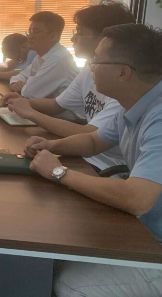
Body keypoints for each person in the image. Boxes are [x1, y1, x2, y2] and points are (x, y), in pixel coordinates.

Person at [23, 23, 162, 296]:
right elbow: (94, 141)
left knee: (70, 285)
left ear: (122, 72)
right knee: (45, 253)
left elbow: (137, 198)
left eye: (96, 60)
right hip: (141, 228)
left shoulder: (158, 116)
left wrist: (59, 173)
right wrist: (50, 145)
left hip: (154, 243)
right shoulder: (134, 101)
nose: (90, 67)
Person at [0, 2, 134, 172]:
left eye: (80, 33)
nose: (72, 39)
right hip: (84, 154)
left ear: (105, 40)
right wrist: (23, 103)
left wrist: (31, 112)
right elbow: (57, 105)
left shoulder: (125, 86)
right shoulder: (89, 68)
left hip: (107, 167)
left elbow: (89, 134)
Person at [8, 11, 79, 98]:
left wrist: (24, 85)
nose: (29, 36)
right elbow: (21, 76)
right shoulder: (40, 56)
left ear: (53, 36)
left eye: (35, 32)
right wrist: (15, 83)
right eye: (30, 31)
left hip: (64, 107)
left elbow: (29, 92)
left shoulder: (58, 58)